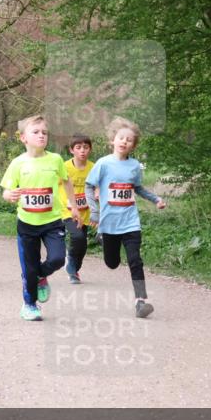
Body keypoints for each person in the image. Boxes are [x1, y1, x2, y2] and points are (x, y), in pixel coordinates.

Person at [0, 114, 81, 321]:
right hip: (27, 223)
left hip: (52, 221)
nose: (41, 136)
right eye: (35, 132)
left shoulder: (55, 160)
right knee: (28, 265)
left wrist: (72, 205)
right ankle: (29, 305)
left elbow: (66, 181)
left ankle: (39, 275)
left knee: (56, 259)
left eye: (44, 132)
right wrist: (9, 195)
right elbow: (6, 191)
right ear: (23, 138)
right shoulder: (17, 163)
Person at [85, 118, 166, 318]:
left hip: (130, 221)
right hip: (109, 222)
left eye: (129, 140)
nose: (124, 142)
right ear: (113, 140)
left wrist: (155, 199)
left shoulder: (134, 166)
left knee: (135, 260)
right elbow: (88, 186)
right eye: (121, 138)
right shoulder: (103, 164)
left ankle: (141, 301)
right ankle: (103, 238)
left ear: (133, 145)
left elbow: (137, 188)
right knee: (112, 263)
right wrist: (94, 212)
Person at [57, 134, 95, 284]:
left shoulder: (94, 167)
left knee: (83, 245)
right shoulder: (64, 167)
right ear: (72, 150)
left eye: (86, 147)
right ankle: (71, 266)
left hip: (85, 211)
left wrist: (98, 191)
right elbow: (52, 184)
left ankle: (74, 268)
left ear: (90, 150)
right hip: (67, 210)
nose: (82, 151)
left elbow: (99, 185)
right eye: (78, 147)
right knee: (77, 237)